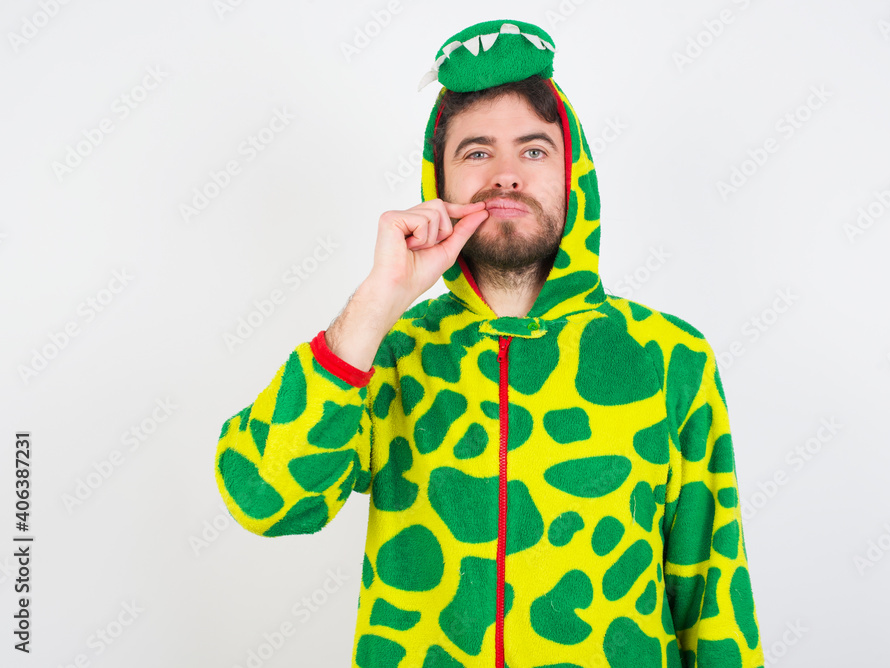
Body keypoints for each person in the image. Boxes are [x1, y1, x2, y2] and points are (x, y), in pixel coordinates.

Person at [214, 18, 764, 668]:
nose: (505, 175)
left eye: (533, 151)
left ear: (574, 174)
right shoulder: (387, 355)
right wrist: (377, 303)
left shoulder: (671, 357)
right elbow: (265, 499)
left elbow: (713, 593)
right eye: (476, 152)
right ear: (437, 183)